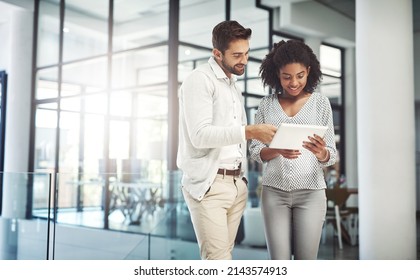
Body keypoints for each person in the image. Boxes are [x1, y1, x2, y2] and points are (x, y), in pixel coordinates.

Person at [177, 20, 277, 260]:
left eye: (246, 53)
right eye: (236, 54)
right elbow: (200, 135)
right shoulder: (199, 80)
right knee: (218, 261)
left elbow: (234, 138)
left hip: (236, 184)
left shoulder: (232, 86)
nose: (244, 59)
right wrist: (250, 131)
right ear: (217, 54)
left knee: (224, 257)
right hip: (210, 184)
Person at [248, 39, 337, 260]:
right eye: (287, 77)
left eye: (300, 76)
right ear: (277, 74)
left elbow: (331, 155)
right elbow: (255, 150)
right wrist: (276, 149)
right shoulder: (266, 105)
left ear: (308, 71)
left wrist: (321, 153)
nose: (294, 82)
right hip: (274, 193)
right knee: (279, 264)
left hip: (311, 194)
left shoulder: (320, 103)